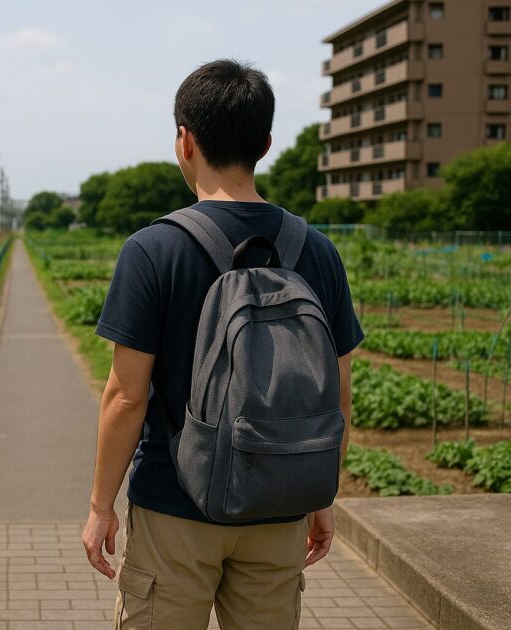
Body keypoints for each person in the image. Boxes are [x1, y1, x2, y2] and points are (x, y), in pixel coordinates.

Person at [80, 59, 363, 629]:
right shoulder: (317, 252)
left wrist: (99, 507)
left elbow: (126, 397)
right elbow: (336, 395)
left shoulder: (153, 249)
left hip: (174, 508)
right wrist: (320, 495)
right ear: (265, 143)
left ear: (184, 141)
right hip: (278, 505)